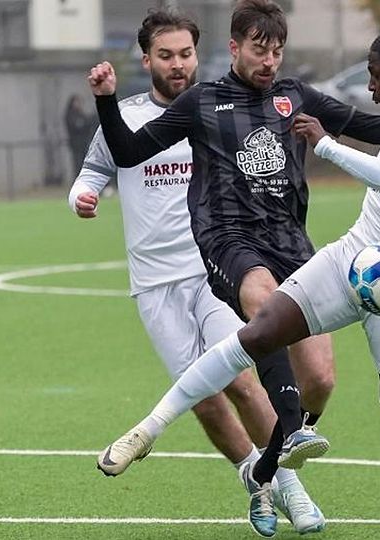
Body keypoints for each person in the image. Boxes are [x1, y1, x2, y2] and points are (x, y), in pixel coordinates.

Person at [88, 2, 380, 535]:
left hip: (329, 254)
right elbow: (127, 149)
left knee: (343, 388)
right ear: (234, 47)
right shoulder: (204, 101)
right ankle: (152, 430)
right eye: (260, 48)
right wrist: (107, 100)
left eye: (277, 49)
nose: (270, 59)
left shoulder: (300, 98)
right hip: (237, 239)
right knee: (260, 317)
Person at [70, 10, 325, 534]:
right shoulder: (129, 118)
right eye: (166, 55)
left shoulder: (217, 108)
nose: (178, 64)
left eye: (186, 53)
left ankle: (293, 490)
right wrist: (85, 193)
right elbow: (98, 166)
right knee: (206, 401)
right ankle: (257, 482)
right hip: (153, 283)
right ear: (147, 60)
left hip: (216, 270)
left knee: (242, 381)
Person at [64, 94, 96, 180]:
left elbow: (87, 124)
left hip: (84, 143)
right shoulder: (70, 115)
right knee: (77, 163)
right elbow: (77, 125)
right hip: (76, 144)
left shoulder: (81, 114)